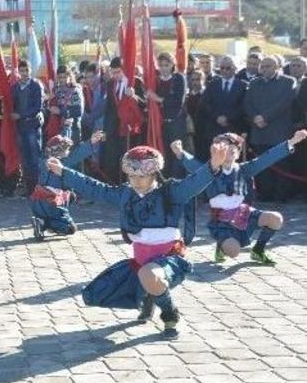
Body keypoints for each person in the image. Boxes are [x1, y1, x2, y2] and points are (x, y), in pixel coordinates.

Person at [48, 143, 227, 338]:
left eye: (141, 176)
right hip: (140, 260)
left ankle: (170, 313)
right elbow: (96, 189)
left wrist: (213, 165)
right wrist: (64, 172)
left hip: (170, 258)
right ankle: (149, 296)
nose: (136, 181)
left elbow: (194, 183)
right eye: (131, 176)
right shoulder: (125, 194)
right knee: (97, 292)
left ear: (154, 173)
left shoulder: (171, 192)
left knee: (149, 275)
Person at [173, 130, 307, 265]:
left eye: (234, 148)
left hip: (244, 213)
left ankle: (258, 250)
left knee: (276, 219)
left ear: (238, 153)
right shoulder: (209, 171)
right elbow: (192, 164)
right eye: (225, 147)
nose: (230, 150)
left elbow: (266, 159)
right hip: (221, 220)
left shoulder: (244, 169)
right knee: (234, 251)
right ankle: (221, 245)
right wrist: (180, 152)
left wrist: (292, 142)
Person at [30, 131, 105, 241]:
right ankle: (43, 223)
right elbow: (78, 155)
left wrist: (67, 126)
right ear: (60, 152)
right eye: (66, 150)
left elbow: (63, 143)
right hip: (52, 203)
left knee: (71, 195)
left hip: (36, 201)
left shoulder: (42, 161)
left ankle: (41, 219)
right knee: (70, 228)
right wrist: (91, 142)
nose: (69, 152)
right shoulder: (62, 164)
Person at [243, 57, 299, 202]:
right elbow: (247, 103)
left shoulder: (288, 81)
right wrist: (255, 117)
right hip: (259, 131)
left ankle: (281, 195)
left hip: (278, 131)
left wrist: (265, 117)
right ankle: (265, 194)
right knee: (262, 166)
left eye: (268, 66)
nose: (264, 69)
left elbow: (284, 103)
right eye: (262, 66)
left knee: (281, 165)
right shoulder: (254, 83)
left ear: (277, 67)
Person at [102, 57, 146, 184]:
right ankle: (116, 185)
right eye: (113, 72)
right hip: (114, 129)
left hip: (130, 129)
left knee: (130, 159)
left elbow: (144, 104)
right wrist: (105, 130)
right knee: (113, 159)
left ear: (125, 70)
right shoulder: (110, 84)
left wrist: (134, 96)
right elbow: (108, 108)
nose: (115, 75)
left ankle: (132, 185)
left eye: (118, 72)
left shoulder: (135, 82)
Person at [197, 56, 247, 162]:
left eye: (228, 68)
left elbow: (244, 106)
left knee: (230, 161)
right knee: (214, 162)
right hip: (214, 129)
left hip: (233, 129)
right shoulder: (213, 84)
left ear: (235, 68)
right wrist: (217, 117)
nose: (224, 71)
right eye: (222, 68)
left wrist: (228, 118)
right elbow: (204, 104)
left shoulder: (242, 85)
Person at [148, 52, 187, 178]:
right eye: (161, 65)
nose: (163, 68)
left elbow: (178, 102)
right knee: (164, 155)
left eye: (166, 65)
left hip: (175, 123)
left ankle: (177, 182)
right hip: (161, 124)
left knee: (177, 154)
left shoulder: (178, 78)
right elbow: (149, 102)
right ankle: (165, 180)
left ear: (172, 65)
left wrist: (158, 99)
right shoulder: (156, 80)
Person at [11, 60, 45, 196]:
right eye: (21, 70)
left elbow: (37, 107)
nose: (24, 73)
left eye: (26, 70)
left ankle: (39, 188)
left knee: (35, 158)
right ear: (18, 71)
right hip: (20, 127)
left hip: (32, 126)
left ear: (30, 70)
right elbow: (11, 104)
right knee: (24, 159)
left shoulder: (36, 85)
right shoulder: (15, 87)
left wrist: (20, 115)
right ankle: (29, 188)